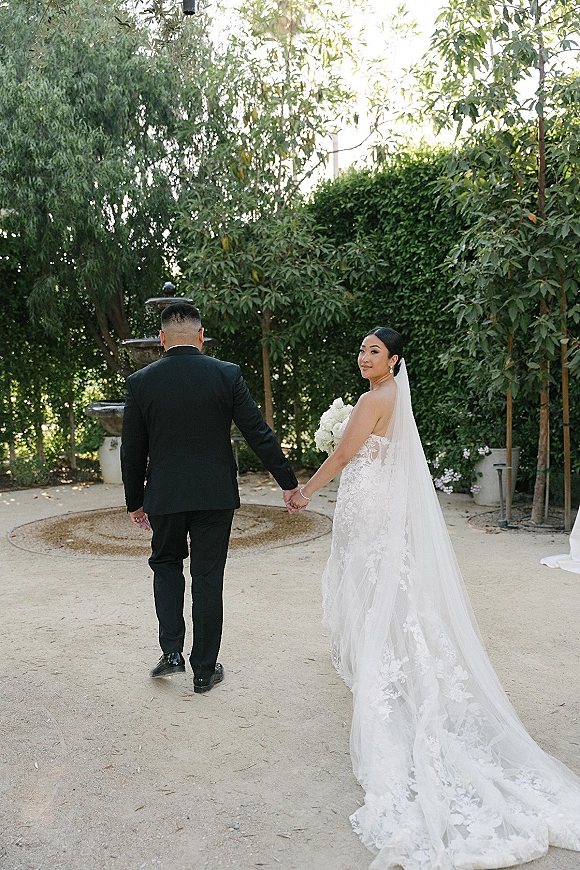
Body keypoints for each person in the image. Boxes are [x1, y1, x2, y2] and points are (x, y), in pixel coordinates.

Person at [288, 327, 580, 870]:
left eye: (373, 350)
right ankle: (391, 655)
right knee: (388, 587)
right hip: (379, 502)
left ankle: (382, 664)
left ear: (393, 360)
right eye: (361, 348)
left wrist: (305, 490)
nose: (363, 355)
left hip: (367, 505)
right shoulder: (397, 399)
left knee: (373, 584)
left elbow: (347, 455)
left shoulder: (374, 398)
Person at [121, 301, 298, 693]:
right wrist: (288, 482)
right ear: (201, 336)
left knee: (166, 565)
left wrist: (135, 501)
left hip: (164, 495)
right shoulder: (225, 374)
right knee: (207, 577)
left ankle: (171, 654)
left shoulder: (141, 382)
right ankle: (204, 670)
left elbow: (132, 450)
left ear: (162, 339)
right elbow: (258, 432)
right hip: (215, 495)